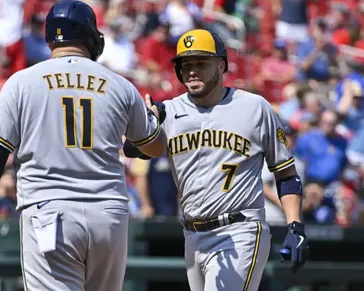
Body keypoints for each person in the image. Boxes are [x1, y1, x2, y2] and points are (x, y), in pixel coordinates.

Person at [0, 0, 167, 291]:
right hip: (108, 216)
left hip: (49, 214)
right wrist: (155, 121)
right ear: (90, 36)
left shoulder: (22, 82)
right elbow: (154, 147)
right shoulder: (120, 85)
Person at [124, 29, 309, 291]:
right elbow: (132, 151)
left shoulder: (254, 108)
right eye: (186, 64)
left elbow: (286, 174)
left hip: (239, 229)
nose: (192, 71)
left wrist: (295, 227)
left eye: (201, 63)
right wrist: (146, 129)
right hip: (192, 233)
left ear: (221, 65)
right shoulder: (168, 111)